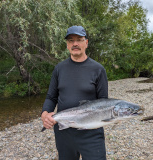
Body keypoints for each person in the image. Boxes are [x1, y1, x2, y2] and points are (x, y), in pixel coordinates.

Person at [41, 25, 108, 160]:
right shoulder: (59, 69)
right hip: (64, 132)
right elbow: (51, 97)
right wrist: (45, 113)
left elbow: (104, 102)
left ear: (86, 43)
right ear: (67, 45)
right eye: (71, 40)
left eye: (79, 39)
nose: (75, 44)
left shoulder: (98, 70)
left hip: (92, 132)